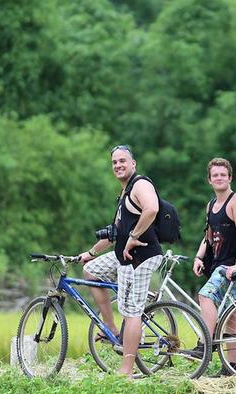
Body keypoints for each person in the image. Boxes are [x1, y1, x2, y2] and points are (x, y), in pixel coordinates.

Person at [78, 145, 163, 378]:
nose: (118, 165)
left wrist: (133, 238)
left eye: (122, 161)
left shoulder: (140, 184)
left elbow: (152, 208)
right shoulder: (124, 194)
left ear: (133, 163)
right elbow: (115, 232)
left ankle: (126, 370)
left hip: (141, 257)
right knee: (91, 271)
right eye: (114, 162)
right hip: (123, 257)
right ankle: (111, 329)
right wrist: (91, 253)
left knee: (131, 310)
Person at [191, 157, 236, 376]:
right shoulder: (211, 205)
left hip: (231, 264)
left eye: (222, 174)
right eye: (215, 175)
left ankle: (205, 344)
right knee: (231, 315)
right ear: (209, 180)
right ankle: (232, 367)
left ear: (230, 177)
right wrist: (199, 258)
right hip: (218, 263)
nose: (219, 178)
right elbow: (208, 238)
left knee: (205, 295)